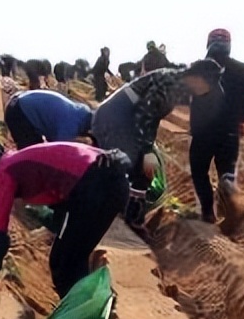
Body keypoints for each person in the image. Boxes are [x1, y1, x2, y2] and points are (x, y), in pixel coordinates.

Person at [0, 141, 132, 297]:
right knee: (74, 254)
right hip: (114, 183)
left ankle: (76, 313)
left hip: (95, 185)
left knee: (64, 262)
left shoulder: (4, 169)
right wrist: (52, 228)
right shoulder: (23, 160)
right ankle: (84, 305)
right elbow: (63, 203)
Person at [91, 60, 222, 226]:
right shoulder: (169, 83)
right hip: (116, 118)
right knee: (126, 163)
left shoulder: (179, 84)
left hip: (127, 118)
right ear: (198, 78)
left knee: (142, 170)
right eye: (209, 85)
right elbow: (144, 114)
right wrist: (146, 150)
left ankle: (132, 216)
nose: (207, 90)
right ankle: (106, 212)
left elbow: (152, 118)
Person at [189, 29, 244, 223]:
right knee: (226, 169)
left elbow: (192, 100)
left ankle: (208, 211)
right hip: (229, 131)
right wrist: (240, 121)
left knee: (199, 170)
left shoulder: (198, 68)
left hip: (204, 132)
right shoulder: (241, 69)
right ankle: (228, 195)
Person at [4, 89, 94, 149]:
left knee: (37, 150)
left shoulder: (79, 113)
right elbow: (59, 148)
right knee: (32, 154)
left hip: (21, 101)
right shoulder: (72, 124)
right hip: (19, 110)